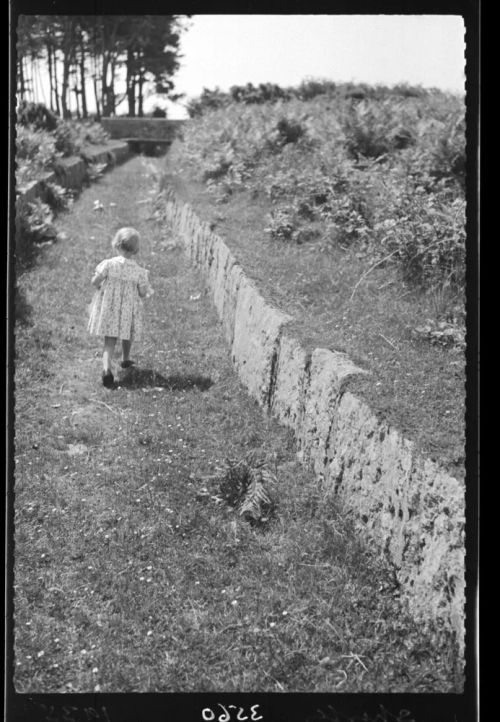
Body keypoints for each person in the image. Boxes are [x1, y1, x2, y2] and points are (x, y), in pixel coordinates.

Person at [88, 227, 153, 387]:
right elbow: (143, 292)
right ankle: (125, 358)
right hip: (127, 311)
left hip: (110, 310)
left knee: (109, 341)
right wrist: (141, 290)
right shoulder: (139, 272)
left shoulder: (109, 265)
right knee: (127, 334)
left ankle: (106, 369)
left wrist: (99, 286)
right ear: (136, 250)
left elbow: (95, 282)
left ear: (117, 245)